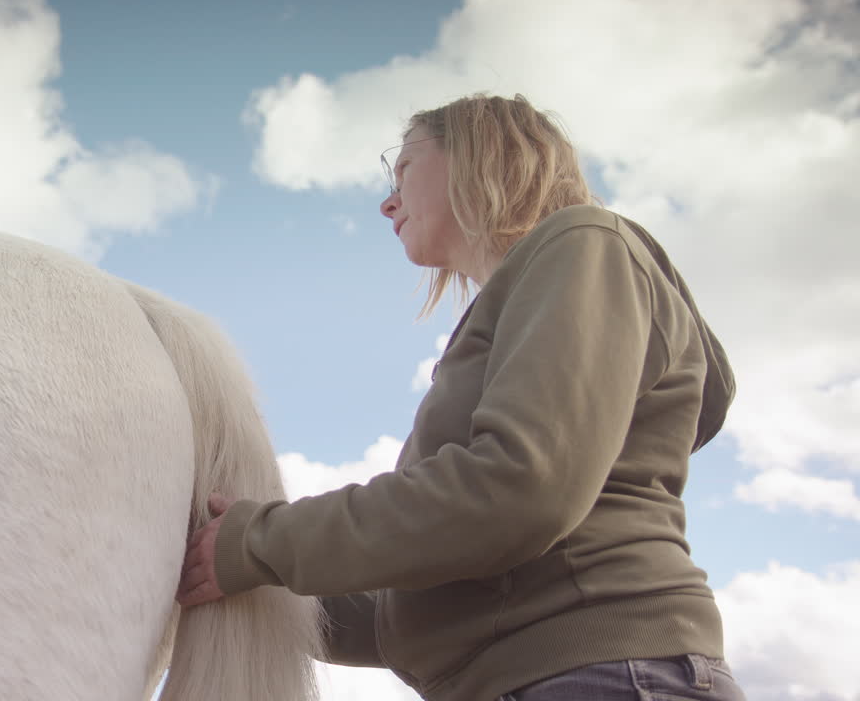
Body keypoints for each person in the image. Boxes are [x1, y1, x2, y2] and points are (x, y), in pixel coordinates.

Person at [176, 93, 748, 701]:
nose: (387, 200)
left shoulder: (584, 242)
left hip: (601, 675)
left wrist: (265, 541)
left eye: (404, 168)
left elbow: (520, 488)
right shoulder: (530, 295)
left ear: (480, 156)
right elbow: (412, 614)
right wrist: (242, 569)